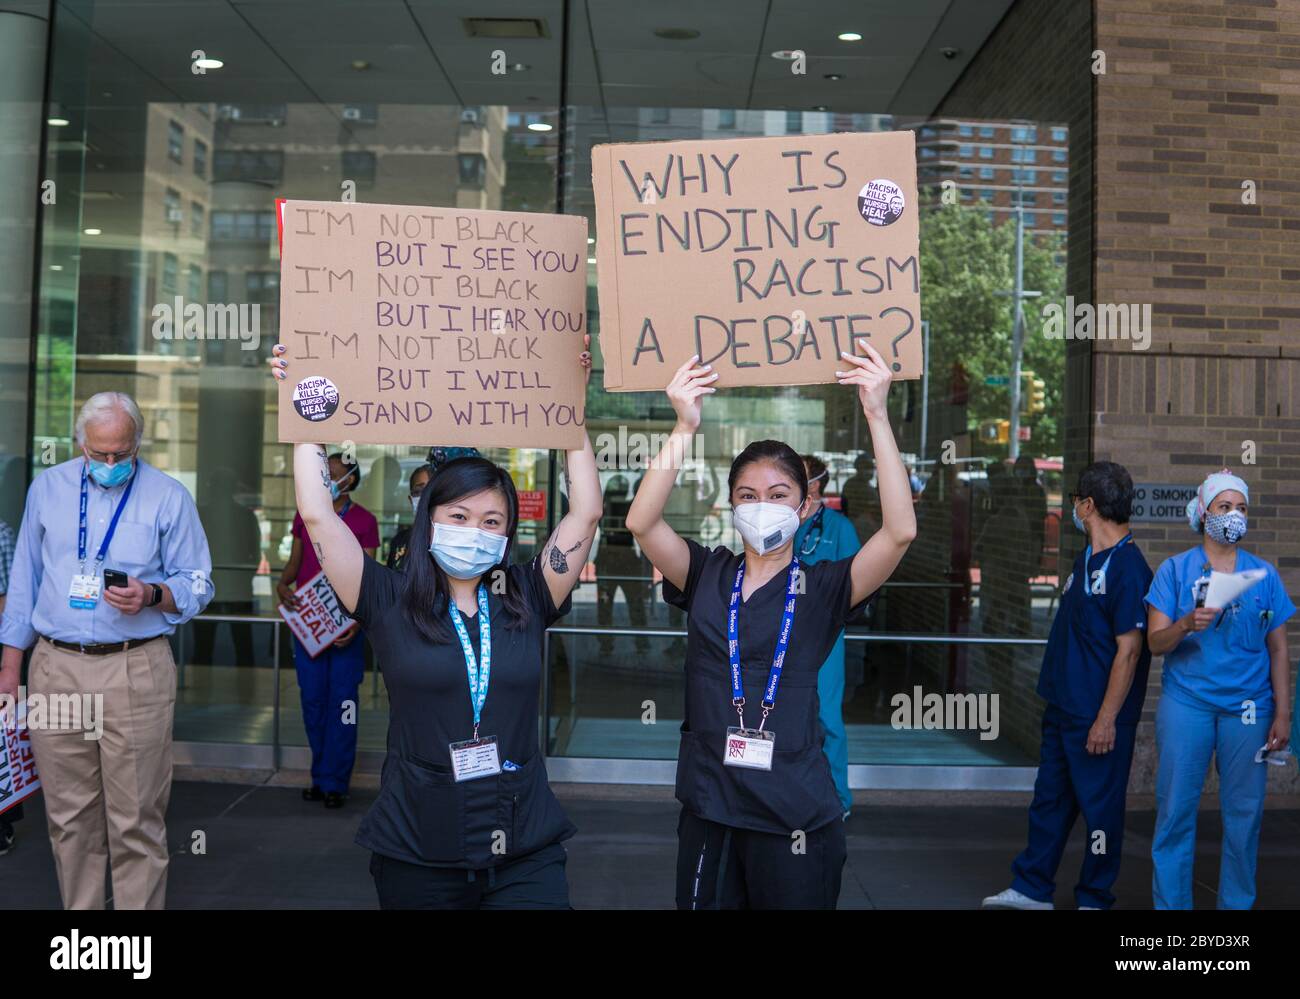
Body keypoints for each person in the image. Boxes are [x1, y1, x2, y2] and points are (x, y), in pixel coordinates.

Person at [269, 337, 601, 909]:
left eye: (492, 520)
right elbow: (318, 514)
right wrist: (305, 407)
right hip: (418, 843)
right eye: (459, 515)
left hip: (523, 842)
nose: (476, 529)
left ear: (507, 534)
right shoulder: (385, 596)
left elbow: (587, 511)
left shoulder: (527, 591)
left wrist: (573, 404)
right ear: (429, 521)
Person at [626, 344, 916, 910]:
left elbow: (899, 531)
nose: (763, 506)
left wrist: (877, 413)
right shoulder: (706, 572)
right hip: (711, 807)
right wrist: (685, 423)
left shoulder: (826, 587)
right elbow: (641, 521)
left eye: (779, 495)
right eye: (747, 496)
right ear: (730, 506)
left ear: (806, 506)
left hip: (794, 816)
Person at [0, 392, 213, 909]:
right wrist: (11, 669)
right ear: (80, 443)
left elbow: (198, 581)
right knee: (70, 818)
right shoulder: (47, 488)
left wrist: (153, 595)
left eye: (122, 453)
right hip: (55, 664)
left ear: (138, 442)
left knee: (135, 817)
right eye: (100, 454)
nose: (112, 464)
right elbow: (24, 580)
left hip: (134, 664)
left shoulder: (167, 495)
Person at [982, 461, 1152, 910]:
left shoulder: (1130, 569)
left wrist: (1106, 720)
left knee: (1099, 814)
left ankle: (1095, 897)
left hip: (1097, 717)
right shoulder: (1086, 559)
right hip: (1063, 706)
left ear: (1088, 504)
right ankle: (1032, 887)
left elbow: (1129, 651)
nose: (1073, 507)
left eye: (1076, 499)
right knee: (1050, 802)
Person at [1145, 469, 1294, 909]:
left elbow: (1280, 651)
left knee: (1244, 817)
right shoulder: (1174, 571)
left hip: (1248, 710)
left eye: (1242, 508)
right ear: (1204, 513)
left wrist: (1284, 714)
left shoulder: (1263, 576)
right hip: (1187, 704)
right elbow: (1155, 644)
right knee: (1175, 813)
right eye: (1225, 507)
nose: (1234, 516)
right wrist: (1186, 623)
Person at [277, 452, 380, 808]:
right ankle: (319, 776)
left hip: (344, 624)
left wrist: (357, 620)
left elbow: (370, 575)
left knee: (343, 704)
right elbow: (294, 563)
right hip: (309, 620)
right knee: (313, 701)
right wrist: (282, 584)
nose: (326, 479)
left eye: (332, 474)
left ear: (349, 479)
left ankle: (337, 781)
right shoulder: (306, 514)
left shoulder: (364, 520)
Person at [795, 454, 859, 817]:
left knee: (827, 718)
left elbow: (859, 583)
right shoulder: (781, 521)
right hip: (782, 630)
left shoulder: (839, 529)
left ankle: (838, 798)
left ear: (815, 484)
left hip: (825, 634)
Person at [595, 474, 650, 656]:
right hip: (622, 559)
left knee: (609, 605)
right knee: (632, 604)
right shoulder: (627, 507)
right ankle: (640, 642)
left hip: (612, 559)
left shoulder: (604, 507)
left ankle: (607, 643)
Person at [386, 464, 434, 572]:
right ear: (411, 500)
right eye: (418, 492)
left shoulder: (453, 542)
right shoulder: (400, 541)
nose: (426, 497)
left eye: (432, 490)